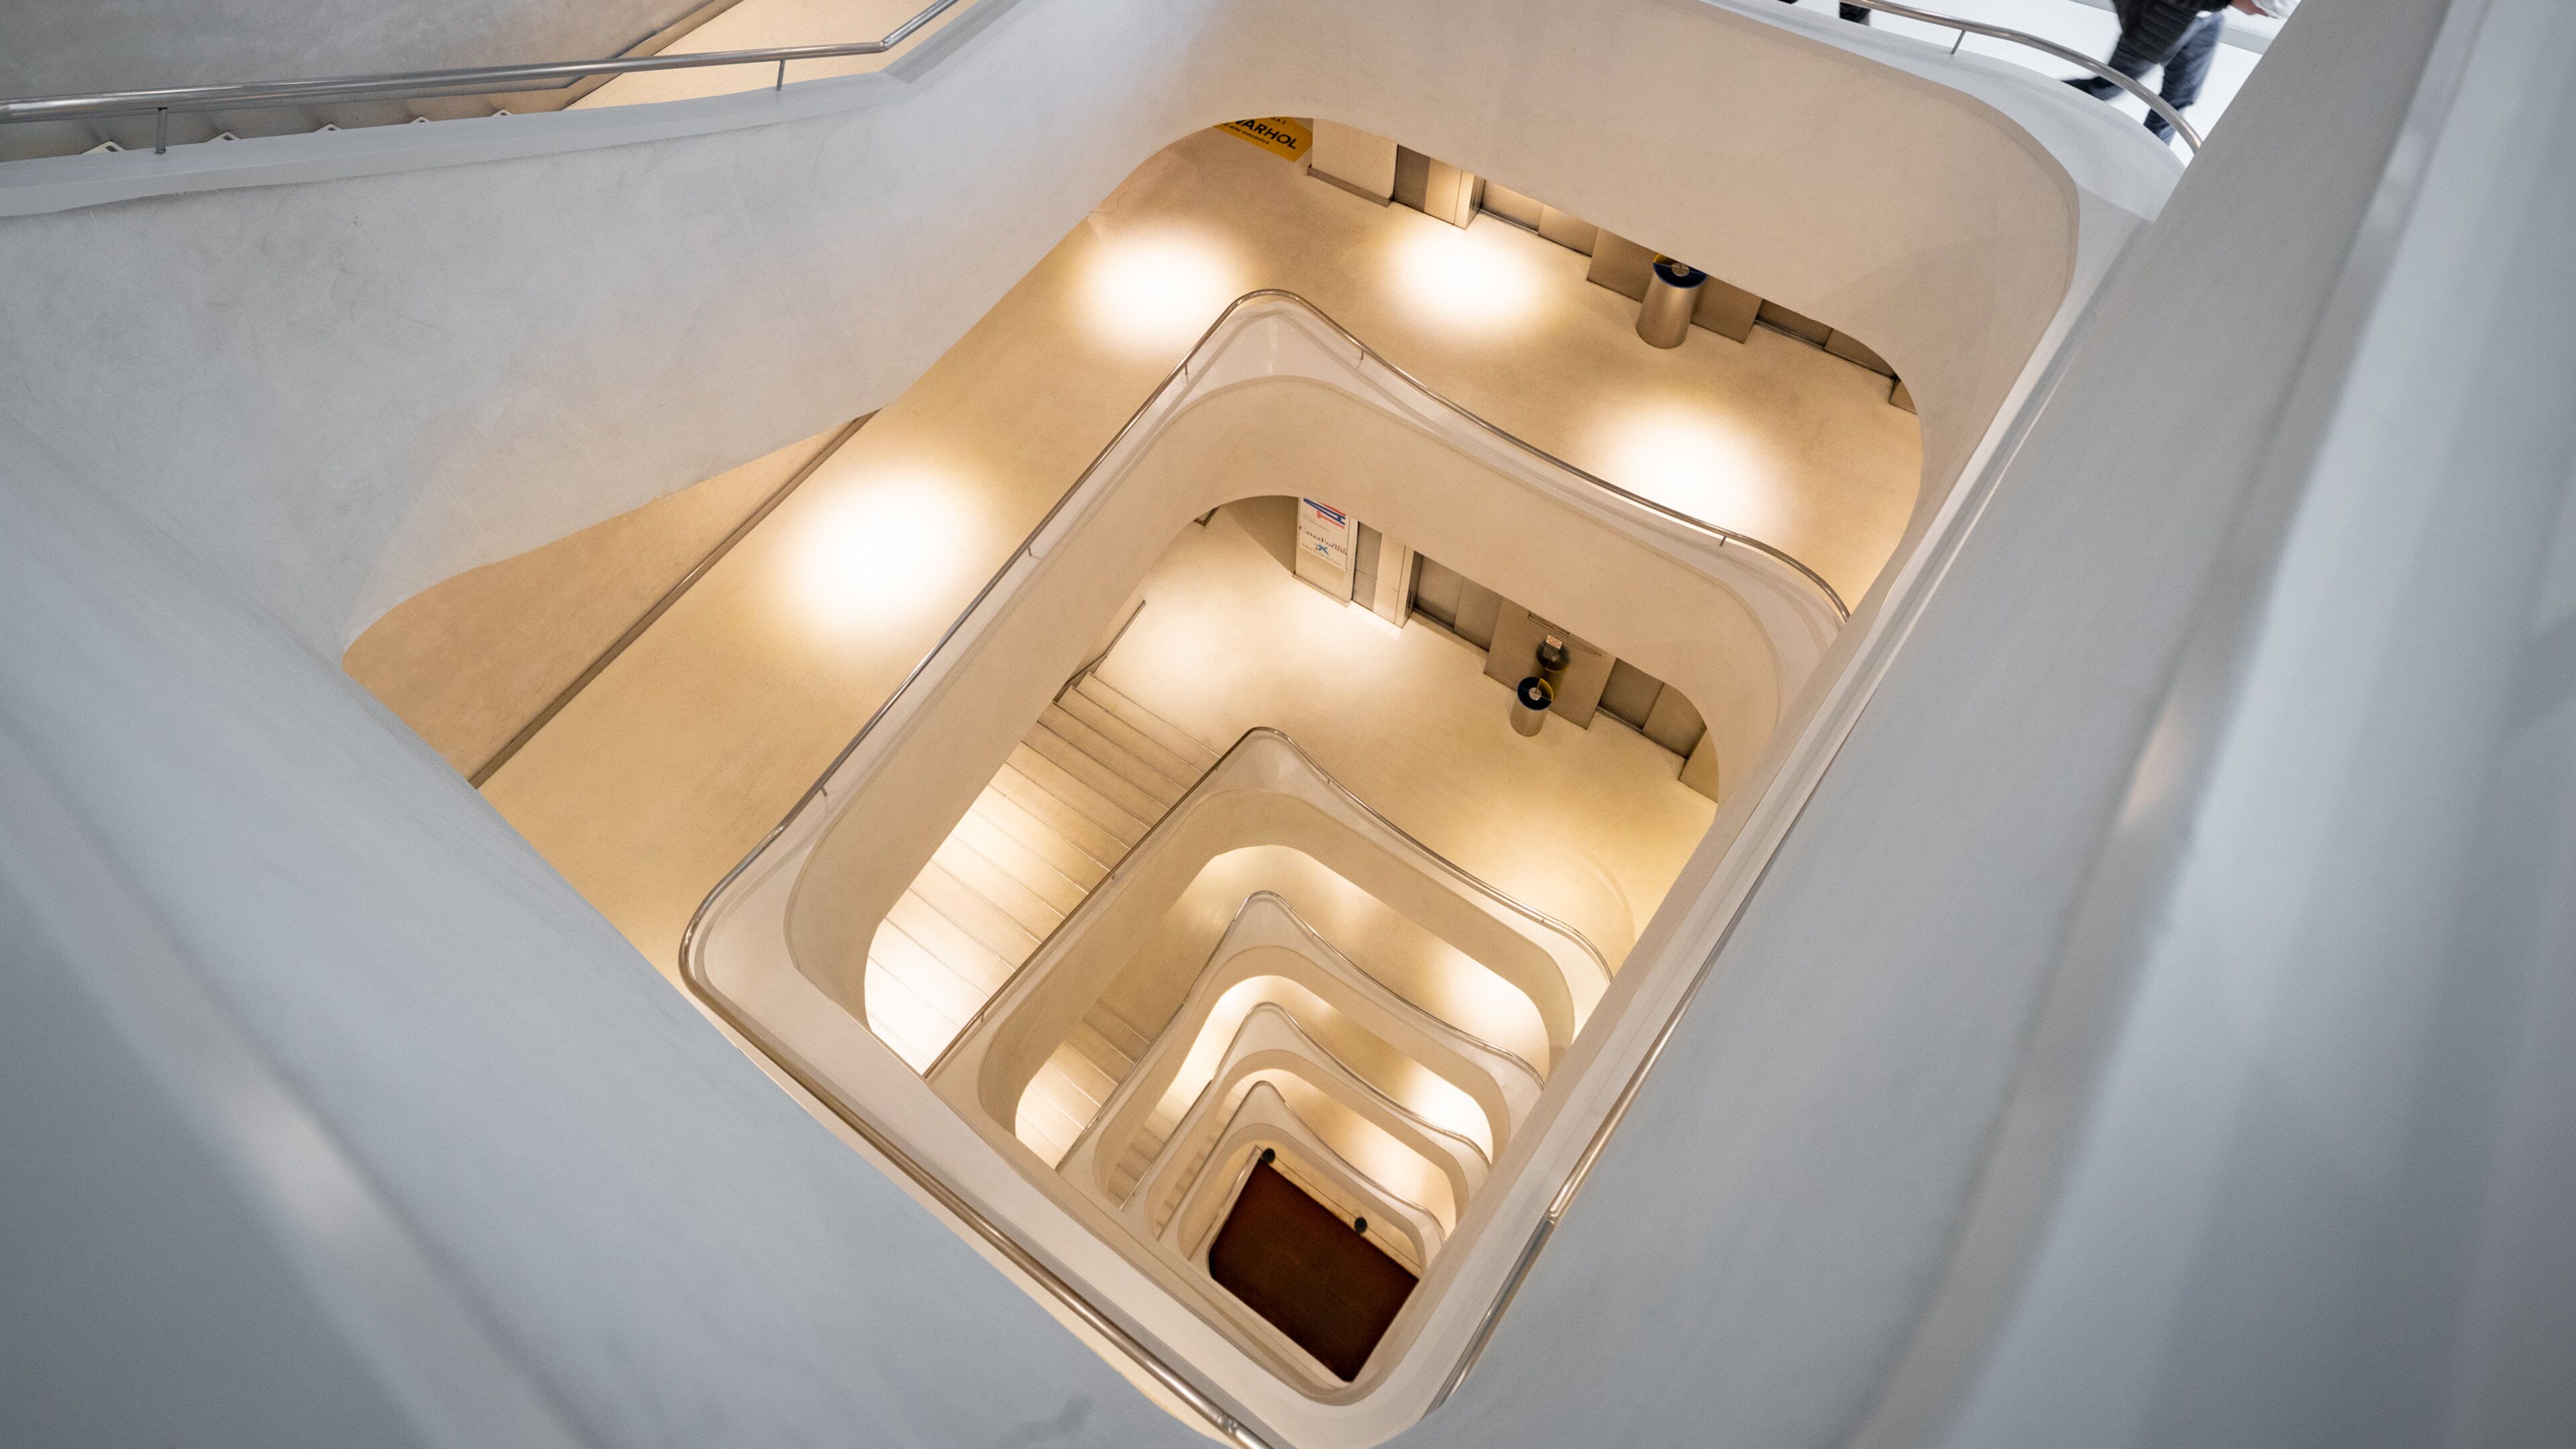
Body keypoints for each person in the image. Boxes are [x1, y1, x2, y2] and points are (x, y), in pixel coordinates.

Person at [2068, 0, 2300, 144]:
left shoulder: (2218, 8)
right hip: (2157, 25)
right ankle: (2046, 96)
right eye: (2264, 9)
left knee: (2178, 100)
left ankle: (2151, 158)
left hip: (2207, 21)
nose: (2264, 15)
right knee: (2107, 87)